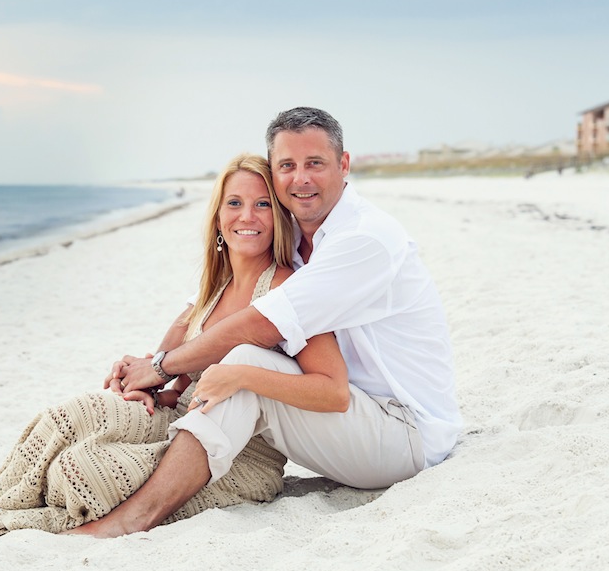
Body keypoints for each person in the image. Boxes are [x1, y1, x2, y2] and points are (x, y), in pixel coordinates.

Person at [82, 107, 460, 538]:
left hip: (405, 435)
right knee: (235, 368)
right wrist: (152, 372)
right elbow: (215, 304)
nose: (301, 179)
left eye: (314, 163)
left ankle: (135, 517)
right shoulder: (300, 238)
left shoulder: (363, 240)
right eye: (287, 166)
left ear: (344, 164)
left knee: (245, 363)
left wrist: (163, 366)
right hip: (355, 418)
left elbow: (259, 324)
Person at [0, 153, 350, 534]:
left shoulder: (284, 291)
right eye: (234, 203)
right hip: (177, 421)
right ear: (218, 217)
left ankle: (39, 516)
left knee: (80, 468)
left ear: (279, 217)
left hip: (236, 454)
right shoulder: (212, 288)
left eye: (262, 205)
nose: (247, 216)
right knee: (71, 415)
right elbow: (167, 370)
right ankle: (3, 500)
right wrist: (142, 383)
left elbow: (331, 388)